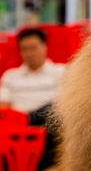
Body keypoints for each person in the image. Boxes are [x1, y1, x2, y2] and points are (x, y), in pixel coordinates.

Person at [0, 28, 65, 169]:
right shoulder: (11, 76)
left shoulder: (60, 72)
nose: (29, 53)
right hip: (17, 128)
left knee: (55, 110)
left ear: (44, 47)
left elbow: (64, 105)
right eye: (25, 49)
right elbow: (3, 108)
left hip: (48, 125)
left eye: (33, 48)